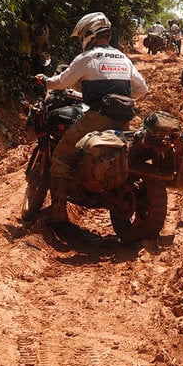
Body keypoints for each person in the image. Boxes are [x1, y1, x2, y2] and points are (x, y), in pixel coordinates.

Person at [35, 12, 148, 226]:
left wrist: (45, 81)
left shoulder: (89, 57)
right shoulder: (122, 57)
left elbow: (62, 81)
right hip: (123, 121)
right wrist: (117, 95)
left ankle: (58, 215)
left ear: (88, 33)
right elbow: (142, 88)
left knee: (61, 157)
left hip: (97, 118)